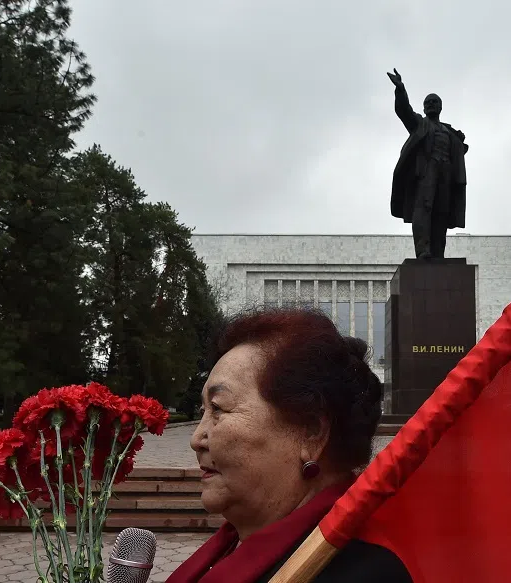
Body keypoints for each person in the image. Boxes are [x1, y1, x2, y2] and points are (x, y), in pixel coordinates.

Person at [166, 307, 413, 583]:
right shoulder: (231, 546)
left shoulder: (361, 571)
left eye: (218, 408)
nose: (196, 439)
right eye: (203, 412)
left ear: (311, 433)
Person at [387, 68, 468, 260]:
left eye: (434, 102)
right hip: (427, 171)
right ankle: (423, 250)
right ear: (423, 108)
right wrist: (400, 89)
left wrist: (460, 143)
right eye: (427, 103)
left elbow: (460, 151)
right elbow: (403, 111)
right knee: (423, 208)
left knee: (442, 211)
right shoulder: (419, 124)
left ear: (440, 107)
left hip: (446, 173)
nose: (431, 105)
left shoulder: (449, 131)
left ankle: (438, 252)